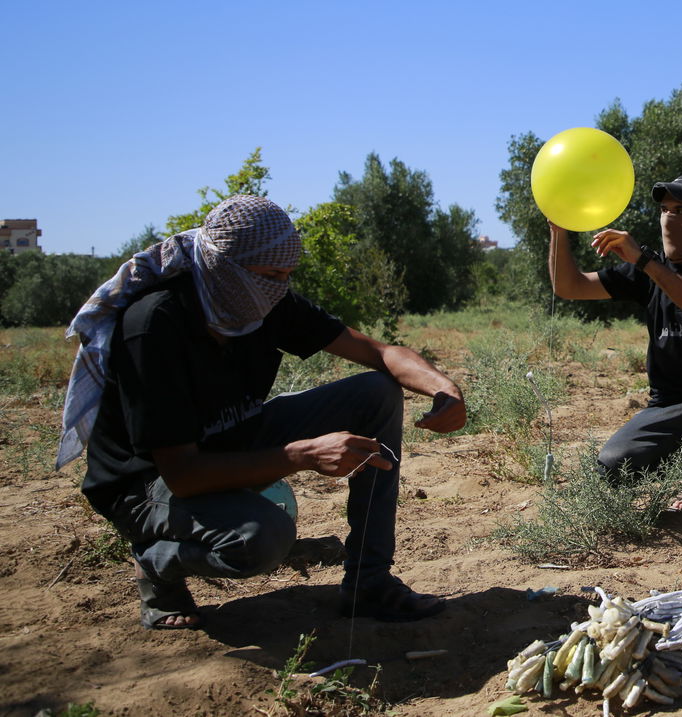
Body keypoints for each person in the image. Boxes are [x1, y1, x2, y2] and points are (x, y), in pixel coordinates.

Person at [62, 195, 468, 630]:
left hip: (228, 438)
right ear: (223, 265)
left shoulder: (263, 299)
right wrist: (302, 455)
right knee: (262, 537)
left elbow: (378, 351)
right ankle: (158, 561)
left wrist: (444, 387)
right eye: (271, 275)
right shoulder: (154, 325)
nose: (280, 286)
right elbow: (182, 474)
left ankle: (369, 582)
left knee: (377, 392)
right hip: (147, 483)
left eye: (287, 276)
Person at [547, 173, 682, 527]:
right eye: (664, 209)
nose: (668, 217)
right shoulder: (647, 270)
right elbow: (569, 286)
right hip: (671, 409)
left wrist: (645, 261)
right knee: (612, 464)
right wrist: (558, 228)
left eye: (680, 209)